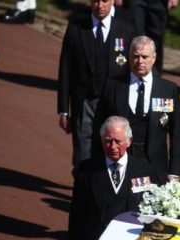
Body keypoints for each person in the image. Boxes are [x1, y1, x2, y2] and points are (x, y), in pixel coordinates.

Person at [57, 0, 133, 171]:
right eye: (95, 0)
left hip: (113, 102)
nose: (100, 5)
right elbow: (65, 69)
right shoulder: (76, 28)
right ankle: (81, 189)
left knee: (113, 148)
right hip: (85, 101)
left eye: (105, 1)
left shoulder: (126, 30)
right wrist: (63, 109)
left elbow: (132, 70)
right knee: (83, 152)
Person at [101, 36, 180, 184]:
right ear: (129, 56)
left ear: (154, 58)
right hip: (120, 162)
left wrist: (174, 172)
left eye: (145, 57)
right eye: (136, 56)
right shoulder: (113, 86)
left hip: (155, 166)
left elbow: (177, 134)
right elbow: (99, 126)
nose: (140, 61)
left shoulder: (168, 90)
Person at [67, 116, 156, 240]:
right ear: (102, 141)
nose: (113, 146)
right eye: (108, 141)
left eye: (118, 141)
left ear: (129, 141)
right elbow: (77, 215)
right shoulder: (87, 170)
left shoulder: (144, 170)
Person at [126, 0, 179, 72]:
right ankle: (132, 73)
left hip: (158, 2)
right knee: (134, 36)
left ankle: (155, 75)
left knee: (156, 38)